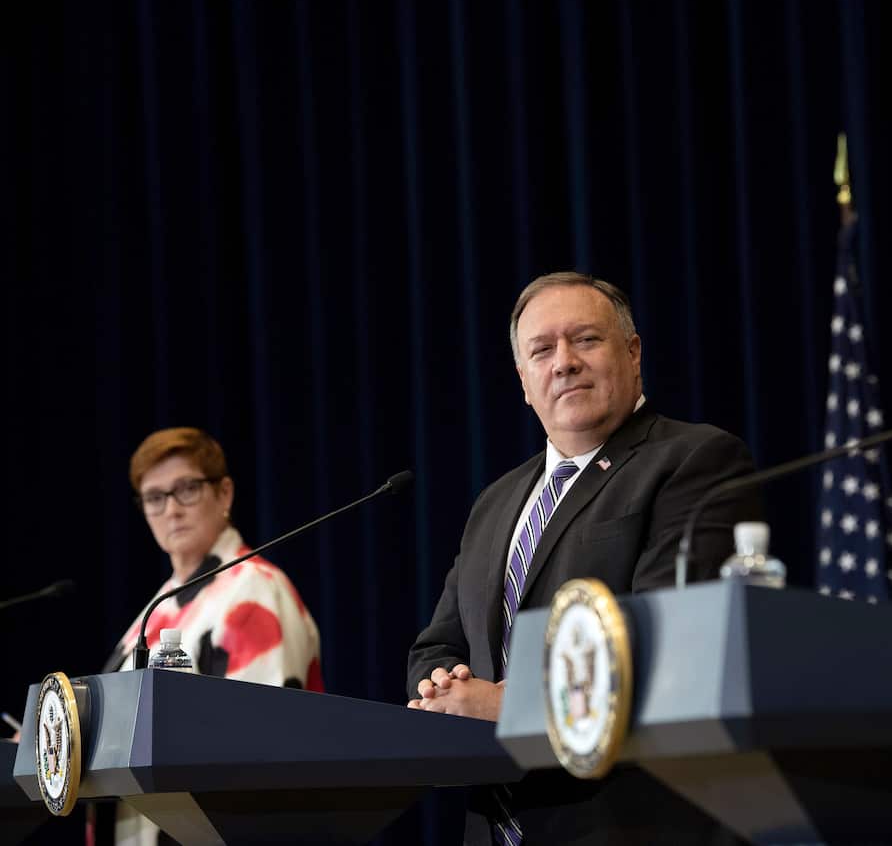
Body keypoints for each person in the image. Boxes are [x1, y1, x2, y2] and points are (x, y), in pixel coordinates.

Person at [406, 273, 761, 844]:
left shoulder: (693, 460)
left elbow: (670, 641)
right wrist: (441, 691)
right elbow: (439, 644)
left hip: (628, 821)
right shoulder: (496, 501)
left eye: (586, 340)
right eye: (542, 350)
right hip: (492, 825)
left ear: (633, 353)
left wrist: (508, 703)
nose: (564, 362)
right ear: (524, 381)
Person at [106, 427, 324, 846]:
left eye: (187, 489)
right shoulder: (157, 606)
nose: (171, 510)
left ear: (224, 494)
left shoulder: (254, 590)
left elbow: (260, 741)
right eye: (155, 497)